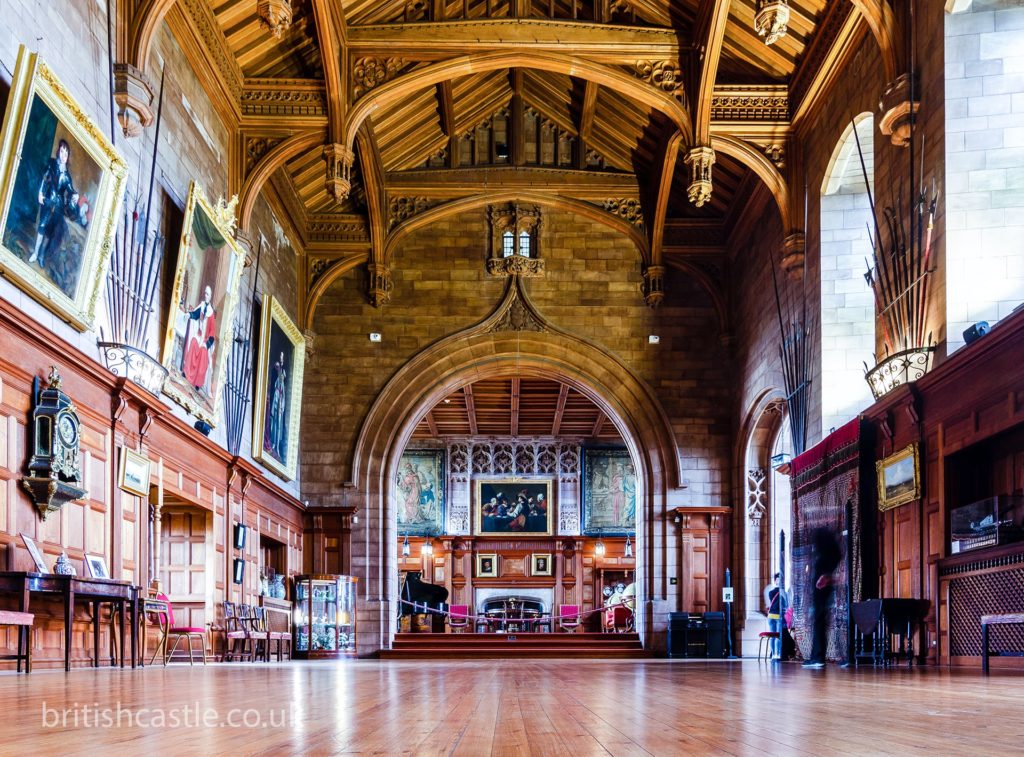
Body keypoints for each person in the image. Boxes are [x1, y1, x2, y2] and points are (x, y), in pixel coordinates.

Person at [30, 139, 83, 268]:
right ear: (58, 151)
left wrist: (75, 195)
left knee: (49, 232)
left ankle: (42, 255)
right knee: (42, 226)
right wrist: (40, 193)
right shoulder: (51, 163)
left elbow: (70, 190)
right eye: (62, 151)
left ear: (68, 156)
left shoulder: (67, 177)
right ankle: (35, 253)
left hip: (58, 205)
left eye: (66, 153)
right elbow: (45, 178)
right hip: (48, 199)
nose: (63, 155)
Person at [803, 527, 841, 669]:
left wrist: (826, 576)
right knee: (819, 622)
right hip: (822, 589)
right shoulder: (829, 554)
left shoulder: (825, 556)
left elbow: (825, 573)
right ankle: (816, 656)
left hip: (821, 590)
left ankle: (818, 657)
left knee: (819, 622)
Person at [181, 285, 217, 392]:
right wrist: (189, 315)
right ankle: (187, 372)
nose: (206, 296)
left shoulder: (211, 313)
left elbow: (212, 333)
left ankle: (197, 382)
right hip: (199, 335)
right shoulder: (201, 306)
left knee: (203, 352)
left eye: (208, 294)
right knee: (193, 343)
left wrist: (207, 344)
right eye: (205, 293)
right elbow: (195, 314)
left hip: (205, 340)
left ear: (210, 296)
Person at [264, 350, 288, 459]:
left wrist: (281, 363)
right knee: (273, 423)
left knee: (279, 425)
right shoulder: (276, 378)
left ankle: (277, 446)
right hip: (275, 401)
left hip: (280, 402)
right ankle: (273, 444)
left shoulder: (282, 377)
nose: (277, 368)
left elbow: (282, 375)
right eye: (276, 366)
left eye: (278, 366)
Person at [764, 573, 789, 661]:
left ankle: (773, 653)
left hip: (771, 615)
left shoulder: (771, 592)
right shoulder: (783, 593)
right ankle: (777, 654)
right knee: (778, 636)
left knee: (773, 636)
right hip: (778, 616)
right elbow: (786, 605)